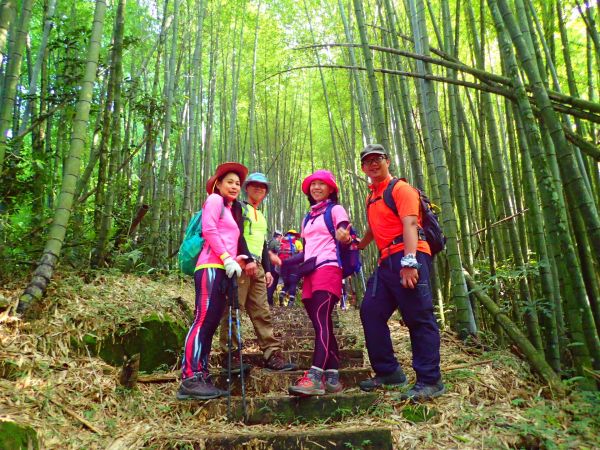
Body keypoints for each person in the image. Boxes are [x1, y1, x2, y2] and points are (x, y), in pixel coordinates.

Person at [356, 144, 444, 401]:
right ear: (363, 168)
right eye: (368, 161)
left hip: (409, 253)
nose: (373, 164)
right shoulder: (371, 195)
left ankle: (430, 380)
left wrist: (409, 261)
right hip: (386, 260)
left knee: (418, 316)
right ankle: (389, 372)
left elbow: (411, 224)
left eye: (378, 159)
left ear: (387, 161)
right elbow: (374, 228)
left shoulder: (401, 189)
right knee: (370, 311)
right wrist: (358, 244)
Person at [177, 162, 250, 400]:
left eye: (238, 183)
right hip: (209, 266)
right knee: (203, 320)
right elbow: (208, 230)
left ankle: (202, 374)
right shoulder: (215, 200)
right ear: (218, 184)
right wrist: (227, 257)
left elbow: (225, 239)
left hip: (223, 270)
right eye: (229, 181)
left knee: (210, 324)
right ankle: (189, 376)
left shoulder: (230, 209)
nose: (235, 186)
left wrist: (235, 258)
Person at [218, 172, 297, 372]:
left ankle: (272, 354)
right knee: (234, 309)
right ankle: (231, 356)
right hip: (241, 263)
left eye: (263, 187)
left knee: (262, 311)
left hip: (259, 267)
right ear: (247, 188)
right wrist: (247, 258)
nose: (259, 189)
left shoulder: (260, 214)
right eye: (254, 185)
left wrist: (268, 270)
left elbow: (262, 243)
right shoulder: (238, 207)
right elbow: (236, 234)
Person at [288, 169, 352, 396]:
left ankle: (315, 377)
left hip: (329, 268)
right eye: (312, 184)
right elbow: (307, 249)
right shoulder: (308, 217)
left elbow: (344, 230)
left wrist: (344, 235)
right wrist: (283, 263)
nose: (316, 187)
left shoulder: (335, 209)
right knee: (320, 323)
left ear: (331, 189)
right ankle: (333, 376)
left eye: (321, 184)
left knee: (322, 320)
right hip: (311, 272)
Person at [277, 230, 303, 307]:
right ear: (295, 235)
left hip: (283, 264)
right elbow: (301, 254)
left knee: (287, 283)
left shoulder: (282, 241)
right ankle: (291, 301)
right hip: (293, 265)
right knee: (293, 283)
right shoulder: (297, 242)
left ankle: (282, 293)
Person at [266, 230, 283, 307]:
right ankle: (269, 301)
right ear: (279, 236)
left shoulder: (269, 242)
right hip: (273, 266)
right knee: (273, 283)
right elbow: (279, 251)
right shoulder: (275, 242)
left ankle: (269, 300)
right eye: (281, 237)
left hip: (268, 265)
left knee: (269, 283)